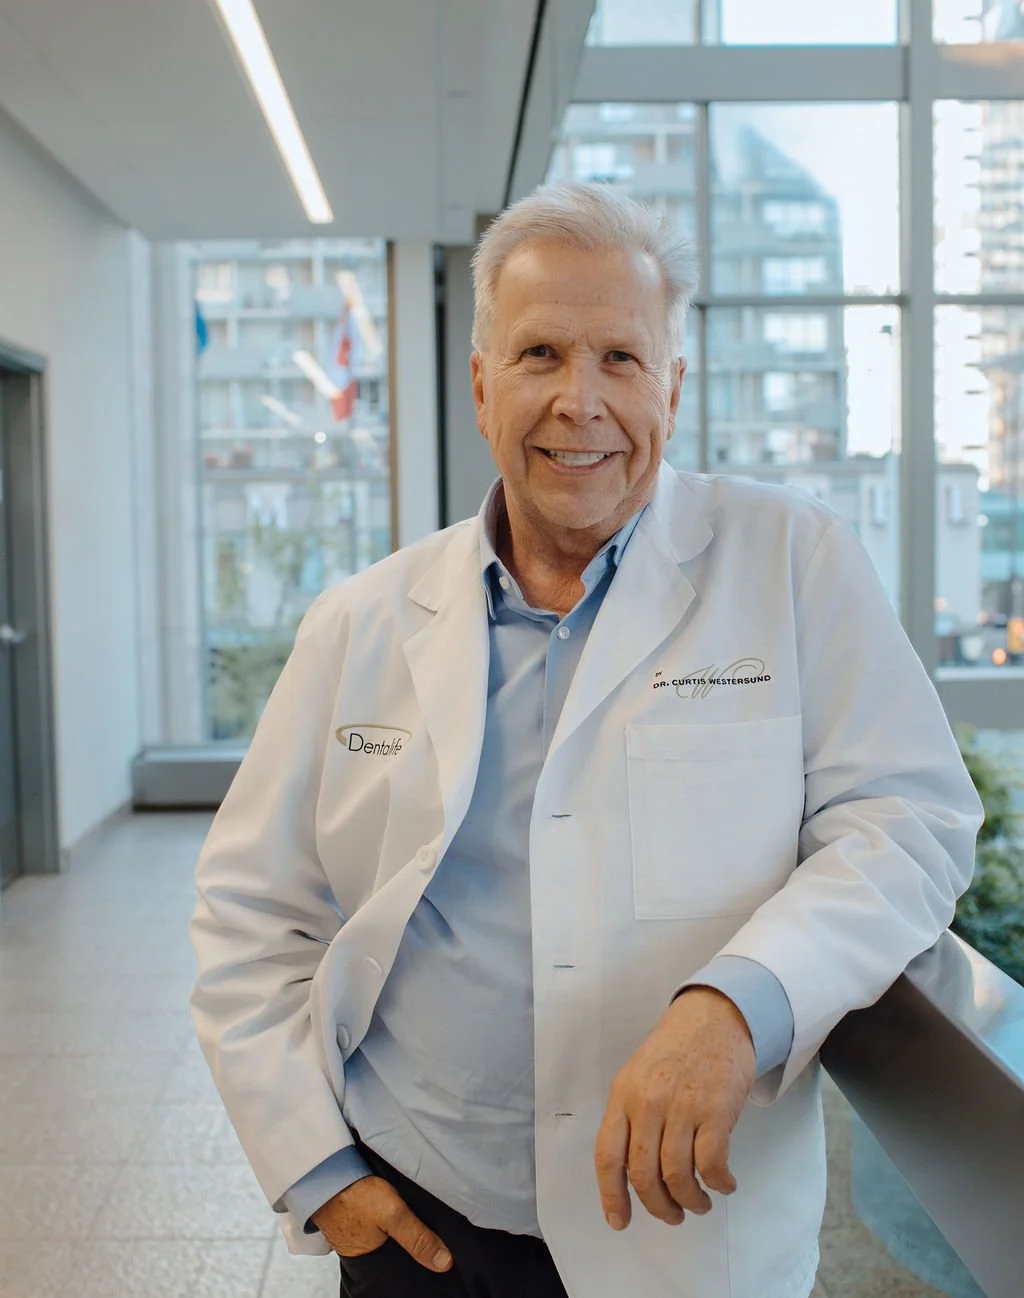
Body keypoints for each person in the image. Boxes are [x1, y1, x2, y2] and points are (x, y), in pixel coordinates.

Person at [190, 182, 983, 1298]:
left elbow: (912, 823)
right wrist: (316, 1168)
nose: (580, 400)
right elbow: (249, 915)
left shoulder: (794, 563)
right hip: (420, 1223)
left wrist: (735, 1002)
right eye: (540, 354)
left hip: (685, 1231)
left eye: (619, 357)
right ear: (480, 386)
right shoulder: (360, 621)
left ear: (673, 382)